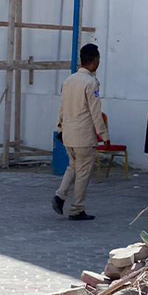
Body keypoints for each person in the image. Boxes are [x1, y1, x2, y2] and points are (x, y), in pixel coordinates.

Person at [53, 44, 107, 220]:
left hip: (68, 133)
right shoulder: (91, 83)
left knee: (73, 167)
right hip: (84, 136)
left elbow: (62, 109)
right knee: (83, 172)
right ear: (94, 61)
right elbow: (95, 112)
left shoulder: (69, 80)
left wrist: (60, 127)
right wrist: (104, 135)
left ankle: (60, 195)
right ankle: (77, 208)